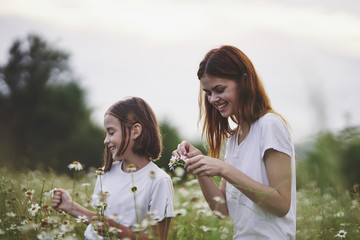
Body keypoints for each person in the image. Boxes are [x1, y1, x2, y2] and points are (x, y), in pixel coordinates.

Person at [173, 45, 296, 239]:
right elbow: (222, 210)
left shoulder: (270, 125)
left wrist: (224, 169)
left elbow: (281, 205)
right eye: (208, 92)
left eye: (219, 89)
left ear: (244, 81)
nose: (213, 99)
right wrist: (199, 165)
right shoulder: (234, 139)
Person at [52, 97, 175, 240]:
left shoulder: (159, 181)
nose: (105, 140)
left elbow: (158, 238)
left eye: (111, 132)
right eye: (106, 134)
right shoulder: (104, 173)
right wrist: (69, 206)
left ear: (135, 131)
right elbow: (102, 223)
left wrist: (119, 231)